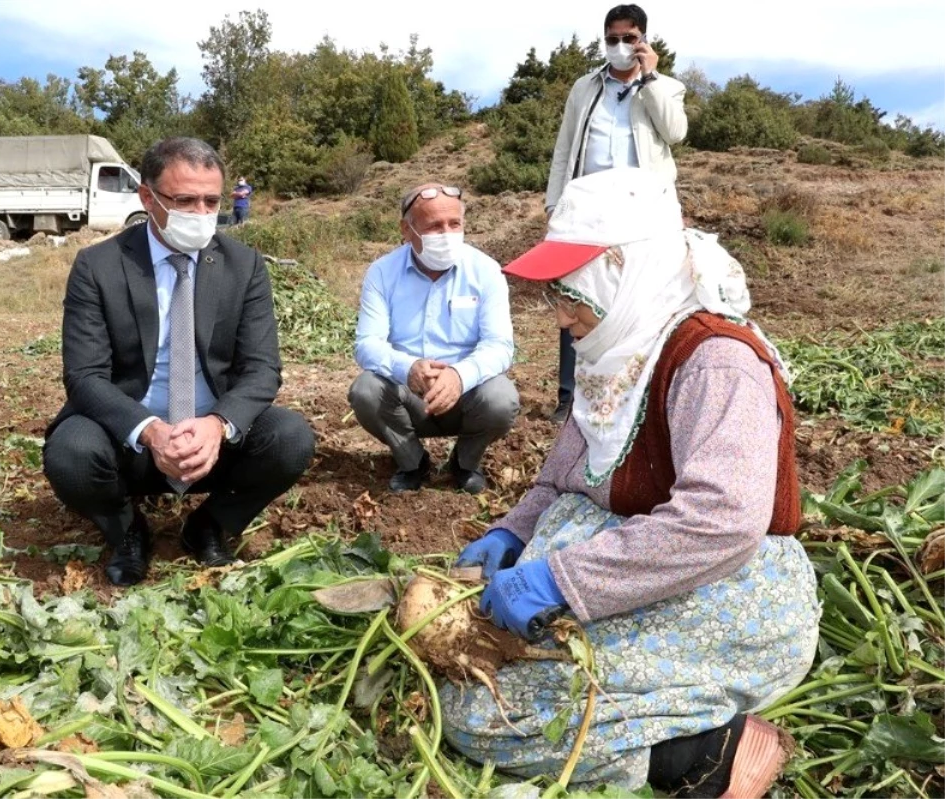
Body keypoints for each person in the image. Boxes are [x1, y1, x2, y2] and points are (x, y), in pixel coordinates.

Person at [447, 169, 819, 799]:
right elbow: (567, 473)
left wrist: (559, 580)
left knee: (495, 718)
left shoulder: (716, 360)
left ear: (620, 272)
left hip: (718, 584)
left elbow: (721, 522)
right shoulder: (616, 356)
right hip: (628, 565)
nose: (561, 317)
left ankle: (715, 754)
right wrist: (514, 530)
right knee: (484, 680)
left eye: (570, 295)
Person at [42, 137, 315, 586]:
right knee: (71, 454)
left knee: (291, 437)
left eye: (211, 200)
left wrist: (217, 425)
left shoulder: (243, 266)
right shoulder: (99, 266)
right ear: (147, 197)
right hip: (130, 438)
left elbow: (263, 368)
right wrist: (150, 432)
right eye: (185, 200)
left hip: (212, 442)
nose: (201, 213)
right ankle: (128, 530)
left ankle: (210, 526)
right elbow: (84, 375)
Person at [545, 4, 688, 422]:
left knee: (639, 298)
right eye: (612, 38)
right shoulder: (584, 88)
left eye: (629, 38)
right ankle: (570, 395)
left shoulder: (666, 86)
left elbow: (675, 132)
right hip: (588, 210)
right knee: (577, 295)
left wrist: (651, 78)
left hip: (640, 212)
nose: (620, 46)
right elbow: (563, 148)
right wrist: (555, 205)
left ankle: (634, 390)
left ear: (644, 39)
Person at [349, 183, 518, 494]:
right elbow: (367, 344)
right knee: (366, 390)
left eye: (455, 224)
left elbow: (499, 346)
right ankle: (413, 462)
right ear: (407, 229)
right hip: (409, 395)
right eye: (434, 226)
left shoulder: (486, 271)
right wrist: (409, 368)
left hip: (467, 395)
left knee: (501, 398)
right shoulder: (382, 273)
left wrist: (459, 375)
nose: (447, 234)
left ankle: (465, 463)